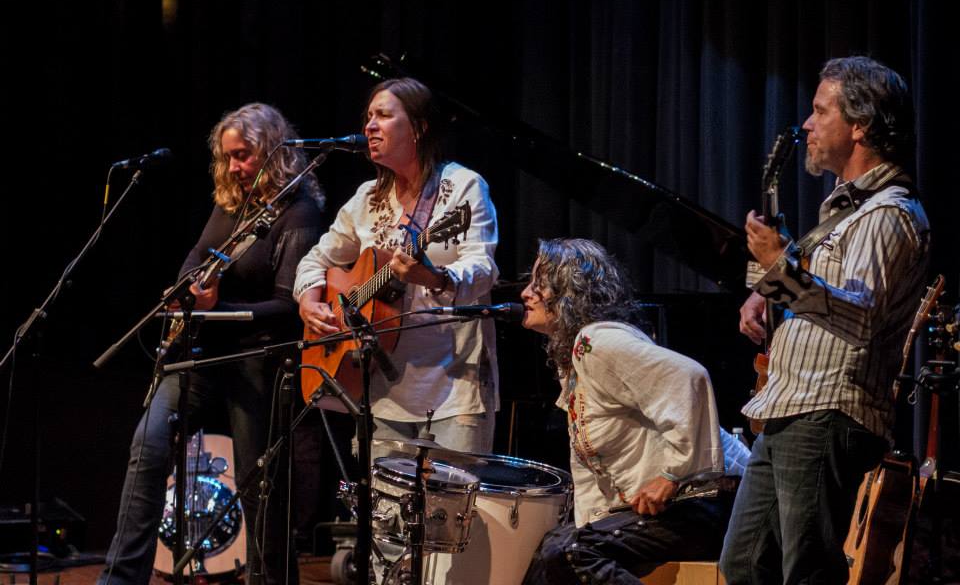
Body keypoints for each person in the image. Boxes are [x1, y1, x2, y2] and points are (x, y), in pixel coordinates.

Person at [719, 56, 931, 584]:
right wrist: (769, 285)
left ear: (859, 125)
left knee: (808, 571)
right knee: (742, 564)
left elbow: (858, 315)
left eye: (820, 111)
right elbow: (819, 293)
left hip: (828, 408)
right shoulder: (845, 212)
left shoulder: (888, 214)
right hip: (791, 406)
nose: (807, 124)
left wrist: (780, 268)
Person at [98, 103, 325, 585]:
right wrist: (188, 291)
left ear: (271, 151)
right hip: (204, 354)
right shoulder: (230, 205)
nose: (235, 167)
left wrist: (217, 307)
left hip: (259, 357)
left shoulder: (299, 212)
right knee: (147, 446)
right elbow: (194, 260)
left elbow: (289, 306)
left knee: (257, 484)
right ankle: (119, 579)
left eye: (243, 155)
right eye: (228, 157)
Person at [519, 238, 748, 584]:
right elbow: (589, 472)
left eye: (539, 283)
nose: (526, 293)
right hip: (677, 509)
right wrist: (591, 525)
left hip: (707, 501)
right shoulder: (577, 359)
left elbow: (689, 377)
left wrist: (672, 475)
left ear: (568, 292)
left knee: (571, 552)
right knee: (556, 545)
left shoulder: (596, 343)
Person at [294, 77, 499, 453]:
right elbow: (316, 258)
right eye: (368, 117)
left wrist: (433, 277)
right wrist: (309, 301)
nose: (369, 126)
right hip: (381, 393)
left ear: (418, 128)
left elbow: (483, 269)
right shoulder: (367, 198)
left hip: (454, 390)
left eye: (384, 116)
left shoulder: (463, 187)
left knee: (451, 494)